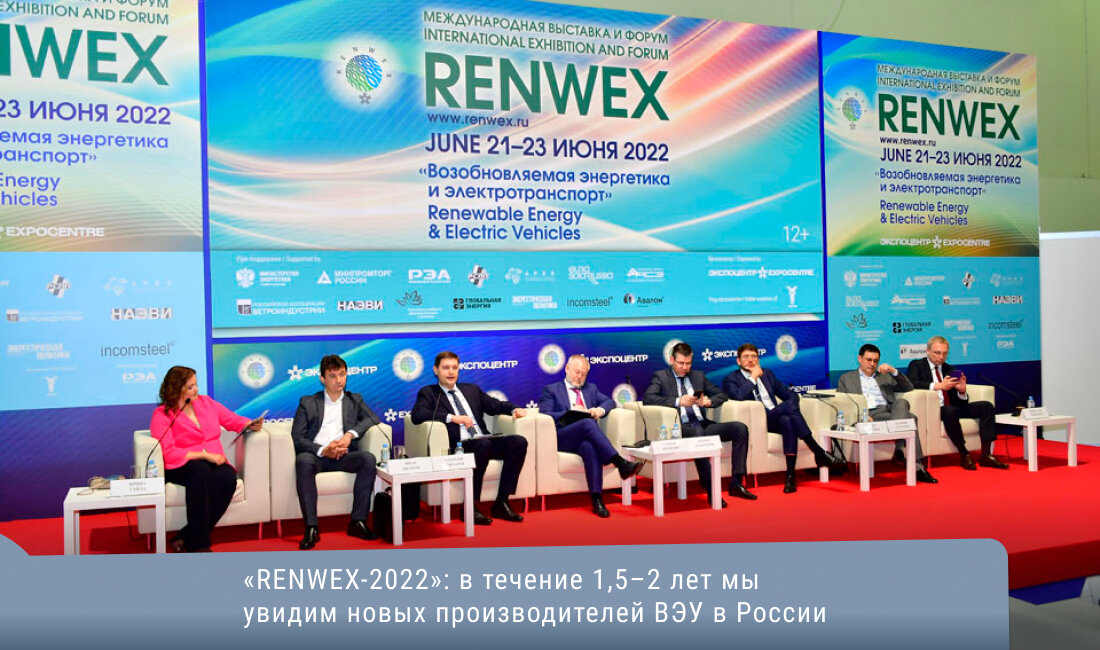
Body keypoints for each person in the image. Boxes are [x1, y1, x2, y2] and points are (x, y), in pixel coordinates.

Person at [149, 365, 263, 552]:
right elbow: (168, 452)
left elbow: (231, 419)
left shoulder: (206, 403)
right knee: (199, 471)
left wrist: (249, 424)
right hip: (181, 464)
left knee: (227, 477)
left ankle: (186, 535)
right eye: (190, 387)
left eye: (196, 384)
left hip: (211, 460)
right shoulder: (163, 414)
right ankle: (199, 545)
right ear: (176, 389)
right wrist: (203, 455)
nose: (196, 390)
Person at [410, 351, 528, 525]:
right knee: (482, 445)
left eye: (454, 367)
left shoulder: (471, 389)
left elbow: (495, 405)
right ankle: (469, 507)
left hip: (483, 440)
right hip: (459, 445)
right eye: (446, 368)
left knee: (518, 442)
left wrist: (514, 409)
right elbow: (417, 415)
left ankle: (501, 502)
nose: (451, 372)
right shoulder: (429, 393)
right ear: (436, 370)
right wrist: (453, 418)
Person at [643, 342, 757, 506]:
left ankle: (736, 483)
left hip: (703, 424)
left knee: (740, 428)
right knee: (698, 434)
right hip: (681, 427)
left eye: (688, 363)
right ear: (672, 360)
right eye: (681, 363)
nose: (685, 367)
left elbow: (721, 394)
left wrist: (708, 401)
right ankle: (711, 489)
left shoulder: (697, 376)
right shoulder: (661, 377)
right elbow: (648, 398)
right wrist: (678, 401)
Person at [722, 343, 846, 493]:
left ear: (758, 359)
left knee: (787, 420)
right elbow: (738, 396)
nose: (750, 360)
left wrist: (791, 407)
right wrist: (753, 378)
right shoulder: (731, 379)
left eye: (754, 356)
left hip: (775, 418)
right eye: (746, 357)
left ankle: (790, 476)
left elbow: (790, 394)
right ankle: (818, 451)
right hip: (758, 421)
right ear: (738, 361)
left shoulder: (767, 374)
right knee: (787, 409)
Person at [290, 354, 381, 550]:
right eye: (332, 376)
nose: (339, 380)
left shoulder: (354, 399)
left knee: (368, 459)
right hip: (317, 456)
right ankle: (311, 527)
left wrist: (349, 435)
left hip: (344, 455)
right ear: (322, 378)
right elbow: (297, 437)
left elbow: (373, 418)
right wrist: (324, 450)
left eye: (342, 374)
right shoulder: (308, 402)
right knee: (303, 461)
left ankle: (358, 521)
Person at [538, 354, 643, 517]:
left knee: (590, 447)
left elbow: (609, 402)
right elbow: (545, 414)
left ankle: (597, 500)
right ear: (567, 368)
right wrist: (570, 413)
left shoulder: (590, 389)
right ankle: (619, 462)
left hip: (584, 438)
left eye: (583, 374)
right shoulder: (551, 390)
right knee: (587, 423)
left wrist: (599, 410)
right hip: (562, 437)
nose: (579, 377)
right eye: (576, 372)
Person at [836, 344, 938, 483]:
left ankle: (899, 449)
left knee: (901, 402)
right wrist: (860, 417)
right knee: (911, 418)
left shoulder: (884, 377)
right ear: (860, 358)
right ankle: (917, 467)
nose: (872, 364)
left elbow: (908, 387)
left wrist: (893, 371)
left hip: (888, 412)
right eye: (868, 360)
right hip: (868, 415)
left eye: (875, 361)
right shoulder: (847, 378)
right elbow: (843, 402)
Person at [906, 336, 1009, 471]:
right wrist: (938, 386)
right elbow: (911, 383)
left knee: (986, 406)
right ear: (928, 351)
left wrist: (962, 391)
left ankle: (986, 455)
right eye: (937, 353)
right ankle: (964, 453)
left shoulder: (950, 369)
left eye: (945, 353)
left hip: (953, 408)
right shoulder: (917, 365)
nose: (941, 357)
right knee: (950, 410)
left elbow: (960, 401)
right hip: (935, 410)